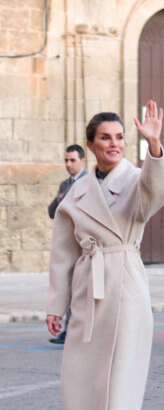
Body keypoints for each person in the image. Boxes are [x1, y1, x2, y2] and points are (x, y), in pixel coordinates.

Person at [46, 100, 164, 410]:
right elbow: (62, 251)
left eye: (120, 137)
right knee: (84, 380)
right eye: (106, 138)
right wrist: (56, 303)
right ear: (90, 145)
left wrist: (154, 146)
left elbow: (159, 190)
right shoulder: (77, 190)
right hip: (89, 288)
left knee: (118, 381)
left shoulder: (138, 178)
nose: (114, 144)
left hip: (123, 287)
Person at [47, 144, 89, 345]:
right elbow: (52, 211)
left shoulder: (90, 182)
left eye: (72, 160)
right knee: (67, 284)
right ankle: (68, 329)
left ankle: (74, 330)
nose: (68, 164)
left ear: (83, 161)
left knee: (79, 288)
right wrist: (60, 199)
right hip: (67, 242)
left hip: (84, 244)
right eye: (66, 160)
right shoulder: (65, 185)